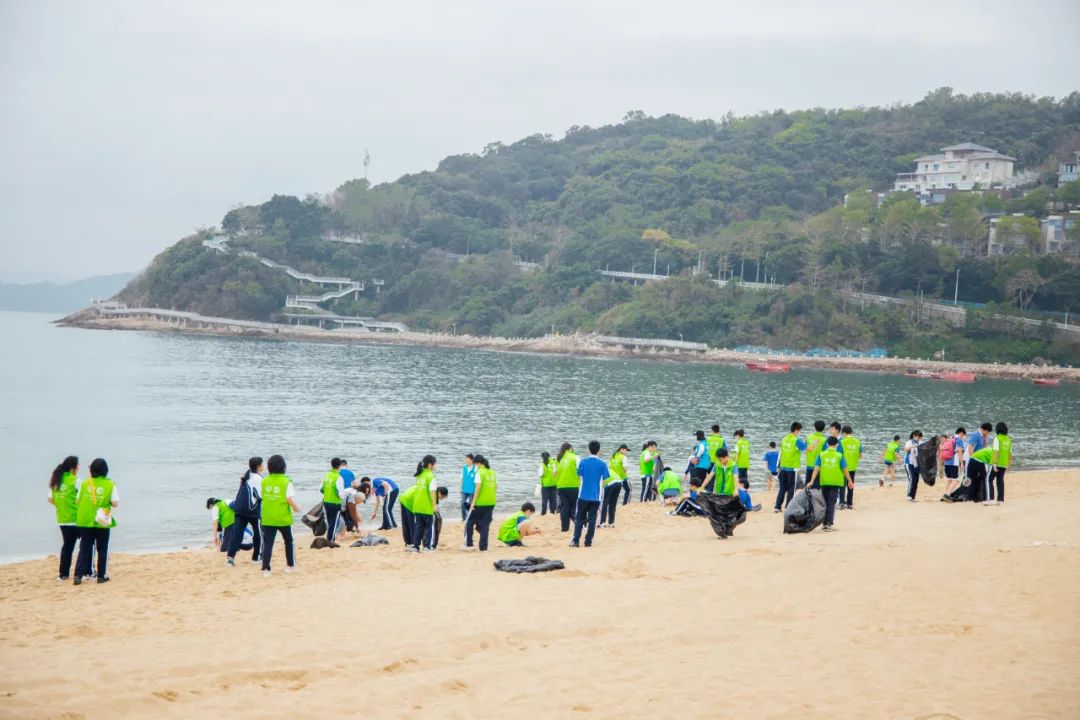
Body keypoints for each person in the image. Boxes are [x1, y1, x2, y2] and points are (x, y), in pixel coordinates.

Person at [73, 458, 118, 585]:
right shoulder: (110, 484)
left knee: (85, 548)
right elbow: (115, 503)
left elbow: (77, 500)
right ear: (106, 471)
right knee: (102, 548)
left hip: (85, 519)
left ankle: (78, 575)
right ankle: (101, 576)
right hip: (102, 519)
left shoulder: (85, 483)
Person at [260, 454, 301, 576]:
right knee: (289, 541)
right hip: (283, 518)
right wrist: (296, 508)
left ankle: (266, 569)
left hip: (268, 517)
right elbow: (289, 498)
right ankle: (290, 566)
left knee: (268, 543)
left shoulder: (264, 480)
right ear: (283, 466)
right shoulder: (286, 481)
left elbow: (262, 496)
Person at [808, 436, 853, 531]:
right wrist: (850, 480)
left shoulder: (821, 454)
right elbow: (845, 469)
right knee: (831, 502)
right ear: (837, 444)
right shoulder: (839, 455)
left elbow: (816, 468)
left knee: (824, 502)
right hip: (835, 482)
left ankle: (824, 523)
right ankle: (828, 524)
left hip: (824, 481)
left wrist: (811, 481)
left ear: (827, 444)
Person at [47, 455, 80, 581]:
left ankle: (63, 574)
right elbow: (82, 497)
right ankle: (85, 572)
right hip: (76, 518)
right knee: (86, 545)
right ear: (73, 468)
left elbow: (50, 499)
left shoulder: (56, 480)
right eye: (77, 465)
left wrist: (62, 505)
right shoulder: (74, 480)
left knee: (67, 546)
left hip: (62, 519)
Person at [571, 440, 609, 548]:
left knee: (579, 518)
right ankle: (588, 542)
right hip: (595, 496)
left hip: (583, 495)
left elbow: (579, 475)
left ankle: (576, 541)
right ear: (599, 450)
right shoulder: (602, 463)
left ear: (589, 449)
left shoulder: (583, 462)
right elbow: (605, 479)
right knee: (592, 519)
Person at [227, 457, 263, 566]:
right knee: (258, 534)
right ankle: (256, 557)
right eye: (262, 464)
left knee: (237, 534)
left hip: (239, 509)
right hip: (253, 511)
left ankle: (230, 558)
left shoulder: (245, 476)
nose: (263, 466)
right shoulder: (259, 479)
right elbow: (260, 496)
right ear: (258, 466)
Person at [465, 455, 497, 551]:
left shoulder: (479, 472)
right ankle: (483, 547)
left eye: (475, 464)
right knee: (485, 525)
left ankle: (469, 543)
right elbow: (496, 486)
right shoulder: (492, 472)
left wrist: (473, 502)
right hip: (491, 502)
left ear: (477, 463)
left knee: (470, 522)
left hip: (480, 502)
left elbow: (477, 488)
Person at [774, 422, 806, 512]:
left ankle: (777, 507)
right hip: (792, 469)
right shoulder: (796, 440)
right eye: (799, 431)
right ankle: (788, 507)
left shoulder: (784, 439)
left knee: (782, 489)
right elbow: (807, 448)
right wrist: (814, 443)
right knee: (791, 489)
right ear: (796, 430)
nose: (799, 433)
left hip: (783, 468)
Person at [409, 455, 438, 552]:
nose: (436, 465)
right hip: (427, 506)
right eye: (435, 463)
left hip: (417, 505)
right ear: (430, 465)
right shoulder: (431, 476)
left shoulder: (419, 475)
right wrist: (435, 505)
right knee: (429, 527)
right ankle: (427, 547)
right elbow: (432, 492)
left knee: (419, 527)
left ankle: (416, 547)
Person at [601, 444, 629, 528]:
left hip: (610, 479)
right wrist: (625, 475)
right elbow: (625, 468)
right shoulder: (623, 457)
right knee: (613, 503)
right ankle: (611, 522)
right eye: (626, 450)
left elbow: (608, 469)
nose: (627, 452)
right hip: (619, 480)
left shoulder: (613, 456)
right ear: (622, 449)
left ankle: (602, 522)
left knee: (605, 502)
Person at [555, 443, 580, 532]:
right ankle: (578, 524)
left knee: (564, 507)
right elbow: (580, 471)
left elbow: (554, 474)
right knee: (574, 505)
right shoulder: (575, 457)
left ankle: (564, 528)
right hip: (573, 485)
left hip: (561, 486)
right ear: (570, 448)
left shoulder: (559, 458)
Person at [321, 458, 345, 547]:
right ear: (340, 466)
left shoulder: (326, 475)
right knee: (334, 523)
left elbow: (321, 489)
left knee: (330, 522)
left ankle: (329, 539)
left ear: (331, 465)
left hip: (326, 502)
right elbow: (341, 494)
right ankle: (330, 541)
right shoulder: (338, 477)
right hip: (335, 503)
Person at [987, 421, 1012, 505]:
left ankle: (990, 499)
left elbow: (996, 452)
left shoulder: (997, 438)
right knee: (1000, 481)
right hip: (1004, 464)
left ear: (997, 430)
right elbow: (1010, 453)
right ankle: (1000, 500)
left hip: (996, 463)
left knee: (989, 479)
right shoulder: (1008, 440)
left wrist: (994, 464)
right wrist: (1008, 464)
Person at [965, 423, 992, 502]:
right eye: (987, 432)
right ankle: (970, 498)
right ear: (984, 429)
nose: (987, 434)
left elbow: (984, 449)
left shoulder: (983, 437)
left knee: (981, 479)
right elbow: (970, 448)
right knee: (972, 479)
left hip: (981, 460)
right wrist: (974, 459)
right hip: (975, 460)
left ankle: (978, 497)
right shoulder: (976, 435)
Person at [839, 425, 862, 510]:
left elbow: (839, 454)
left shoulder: (841, 441)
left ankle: (841, 503)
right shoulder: (857, 441)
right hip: (853, 467)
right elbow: (860, 455)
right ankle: (849, 504)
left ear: (844, 433)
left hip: (843, 467)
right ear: (851, 432)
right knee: (851, 485)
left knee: (842, 485)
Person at [942, 428, 967, 497]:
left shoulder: (950, 439)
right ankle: (947, 495)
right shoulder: (959, 440)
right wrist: (962, 463)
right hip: (954, 463)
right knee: (956, 480)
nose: (963, 436)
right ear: (961, 433)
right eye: (963, 435)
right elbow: (959, 451)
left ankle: (945, 493)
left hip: (946, 462)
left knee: (949, 480)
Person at [804, 420, 827, 488]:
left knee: (807, 485)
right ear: (823, 428)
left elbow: (806, 449)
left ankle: (807, 498)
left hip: (809, 465)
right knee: (816, 486)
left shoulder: (808, 438)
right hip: (818, 466)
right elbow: (825, 454)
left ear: (814, 427)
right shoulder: (824, 440)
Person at [903, 431, 923, 502]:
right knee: (912, 479)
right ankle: (909, 495)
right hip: (909, 463)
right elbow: (905, 449)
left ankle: (913, 496)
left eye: (920, 437)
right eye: (918, 437)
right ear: (914, 436)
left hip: (916, 464)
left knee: (916, 480)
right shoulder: (909, 442)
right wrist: (912, 446)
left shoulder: (920, 442)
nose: (918, 438)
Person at [537, 452, 558, 516]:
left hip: (545, 485)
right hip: (554, 485)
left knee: (545, 500)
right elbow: (556, 472)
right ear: (549, 456)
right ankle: (552, 512)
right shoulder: (554, 463)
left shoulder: (542, 465)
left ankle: (543, 513)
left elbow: (540, 475)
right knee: (553, 500)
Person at [397, 483, 417, 548]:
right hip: (409, 501)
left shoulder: (419, 485)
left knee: (406, 522)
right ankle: (413, 543)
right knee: (412, 524)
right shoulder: (427, 489)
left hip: (403, 498)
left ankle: (408, 542)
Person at [460, 454, 476, 522]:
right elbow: (462, 478)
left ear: (472, 460)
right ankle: (464, 518)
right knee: (462, 503)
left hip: (472, 490)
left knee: (470, 505)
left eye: (468, 459)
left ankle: (470, 518)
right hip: (464, 489)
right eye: (466, 459)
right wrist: (461, 488)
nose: (466, 461)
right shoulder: (464, 468)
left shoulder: (475, 468)